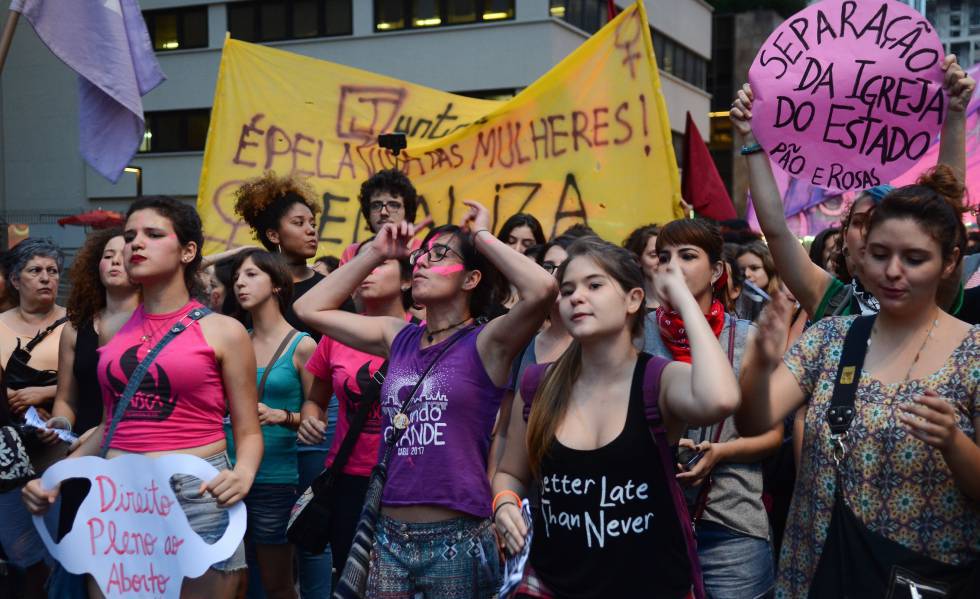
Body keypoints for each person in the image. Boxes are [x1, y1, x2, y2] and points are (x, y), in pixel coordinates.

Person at [737, 167, 980, 597]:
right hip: (818, 572)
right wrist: (759, 365)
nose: (893, 271)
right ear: (861, 255)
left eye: (915, 258)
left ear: (950, 262)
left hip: (920, 578)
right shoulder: (830, 337)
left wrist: (952, 443)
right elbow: (754, 422)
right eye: (880, 254)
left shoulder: (973, 353)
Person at [295, 200, 557, 597]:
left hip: (459, 538)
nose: (421, 262)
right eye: (420, 255)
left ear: (470, 279)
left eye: (439, 255)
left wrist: (481, 237)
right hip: (386, 536)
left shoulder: (488, 342)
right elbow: (307, 307)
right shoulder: (395, 336)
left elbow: (542, 290)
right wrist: (377, 253)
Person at [23, 196, 263, 599]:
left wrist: (244, 473)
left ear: (188, 251)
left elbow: (248, 430)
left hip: (197, 494)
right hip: (117, 499)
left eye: (152, 234)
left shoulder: (224, 331)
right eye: (130, 235)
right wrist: (54, 480)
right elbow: (112, 424)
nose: (136, 244)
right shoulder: (114, 334)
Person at [492, 237, 741, 598]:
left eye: (594, 285)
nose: (577, 297)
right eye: (567, 290)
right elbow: (510, 474)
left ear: (633, 299)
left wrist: (684, 299)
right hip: (552, 586)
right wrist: (503, 503)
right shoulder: (537, 383)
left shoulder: (657, 381)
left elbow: (722, 398)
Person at [731, 55, 975, 321]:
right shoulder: (833, 301)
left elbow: (947, 208)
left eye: (881, 221)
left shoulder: (931, 295)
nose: (872, 233)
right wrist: (751, 139)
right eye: (861, 222)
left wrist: (954, 113)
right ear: (844, 243)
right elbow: (776, 229)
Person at [647, 219, 780, 598]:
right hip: (650, 522)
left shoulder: (747, 339)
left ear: (717, 270)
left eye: (688, 256)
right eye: (663, 257)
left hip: (730, 526)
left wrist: (720, 452)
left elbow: (772, 436)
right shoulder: (636, 334)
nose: (672, 266)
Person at [300, 240, 413, 580]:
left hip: (404, 479)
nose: (369, 270)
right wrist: (309, 418)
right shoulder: (336, 335)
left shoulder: (424, 336)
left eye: (380, 263)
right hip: (347, 478)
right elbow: (315, 399)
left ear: (407, 280)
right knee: (350, 578)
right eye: (364, 262)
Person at [37, 229, 140, 544]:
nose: (114, 262)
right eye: (107, 256)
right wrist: (60, 423)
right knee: (80, 545)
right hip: (80, 452)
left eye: (123, 256)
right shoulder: (75, 328)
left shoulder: (154, 324)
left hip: (134, 451)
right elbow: (67, 397)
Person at [228, 249, 315, 599]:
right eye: (236, 277)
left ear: (277, 284)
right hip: (228, 475)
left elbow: (317, 416)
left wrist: (283, 416)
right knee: (233, 582)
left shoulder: (302, 345)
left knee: (278, 584)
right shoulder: (234, 341)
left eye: (250, 275)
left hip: (276, 480)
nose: (239, 283)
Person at [0, 237, 67, 597]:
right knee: (20, 550)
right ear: (15, 279)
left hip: (57, 449)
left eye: (52, 271)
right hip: (7, 458)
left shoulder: (76, 326)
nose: (45, 278)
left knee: (62, 546)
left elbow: (94, 385)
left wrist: (47, 393)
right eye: (35, 271)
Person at [234, 172, 326, 339]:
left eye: (313, 224)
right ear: (273, 235)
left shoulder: (329, 288)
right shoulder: (249, 288)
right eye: (299, 223)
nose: (311, 230)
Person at [339, 169, 421, 264]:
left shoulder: (425, 251)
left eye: (393, 205)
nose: (383, 212)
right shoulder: (352, 253)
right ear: (368, 213)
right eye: (376, 205)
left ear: (407, 212)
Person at [623, 224, 661, 310]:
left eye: (666, 255)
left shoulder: (687, 301)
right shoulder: (628, 307)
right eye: (654, 255)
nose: (661, 260)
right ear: (638, 261)